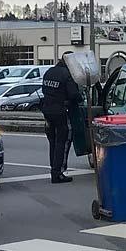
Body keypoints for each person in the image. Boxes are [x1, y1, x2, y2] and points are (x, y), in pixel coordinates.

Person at [40, 51, 83, 183]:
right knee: (63, 142)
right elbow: (74, 95)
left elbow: (44, 90)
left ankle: (53, 169)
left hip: (47, 110)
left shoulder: (49, 72)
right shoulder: (66, 74)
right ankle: (58, 172)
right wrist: (80, 97)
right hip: (61, 111)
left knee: (53, 141)